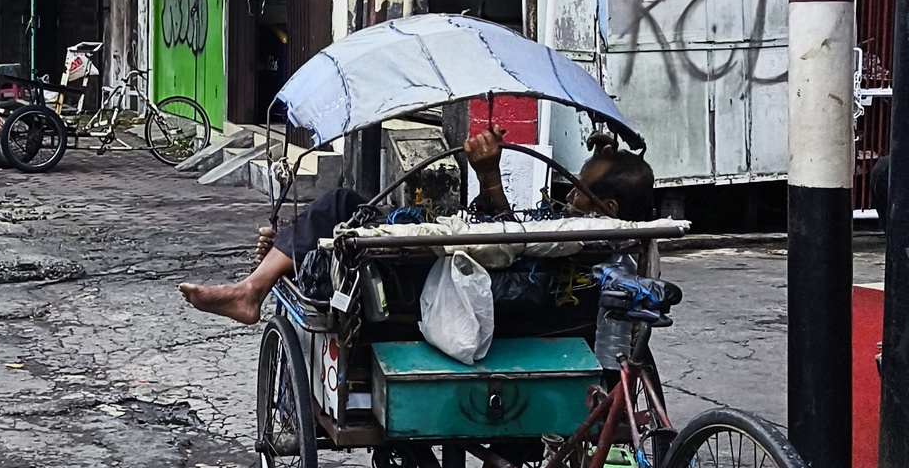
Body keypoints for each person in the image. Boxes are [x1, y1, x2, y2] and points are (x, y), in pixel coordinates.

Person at [180, 123, 658, 323]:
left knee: (340, 204)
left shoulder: (580, 240)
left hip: (468, 293)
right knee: (330, 219)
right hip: (489, 289)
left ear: (610, 208)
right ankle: (280, 258)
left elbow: (507, 254)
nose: (570, 195)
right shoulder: (628, 252)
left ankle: (255, 287)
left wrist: (489, 174)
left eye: (581, 189)